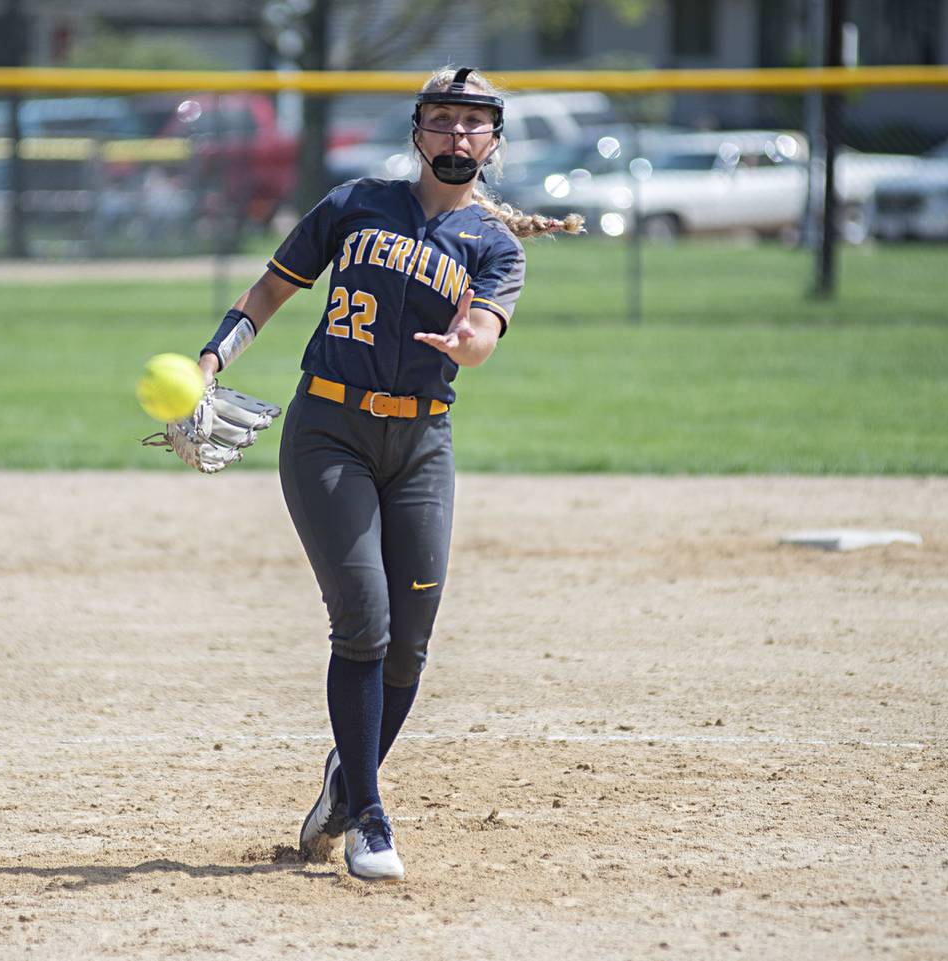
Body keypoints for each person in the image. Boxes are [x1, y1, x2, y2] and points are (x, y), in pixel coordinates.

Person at [183, 66, 582, 880]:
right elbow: (271, 287)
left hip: (422, 446)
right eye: (441, 120)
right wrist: (213, 360)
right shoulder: (356, 203)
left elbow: (483, 335)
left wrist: (465, 344)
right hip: (329, 429)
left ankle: (344, 777)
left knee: (411, 648)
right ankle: (369, 814)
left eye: (473, 124)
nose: (456, 136)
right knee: (363, 621)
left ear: (495, 143)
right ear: (417, 133)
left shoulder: (495, 247)